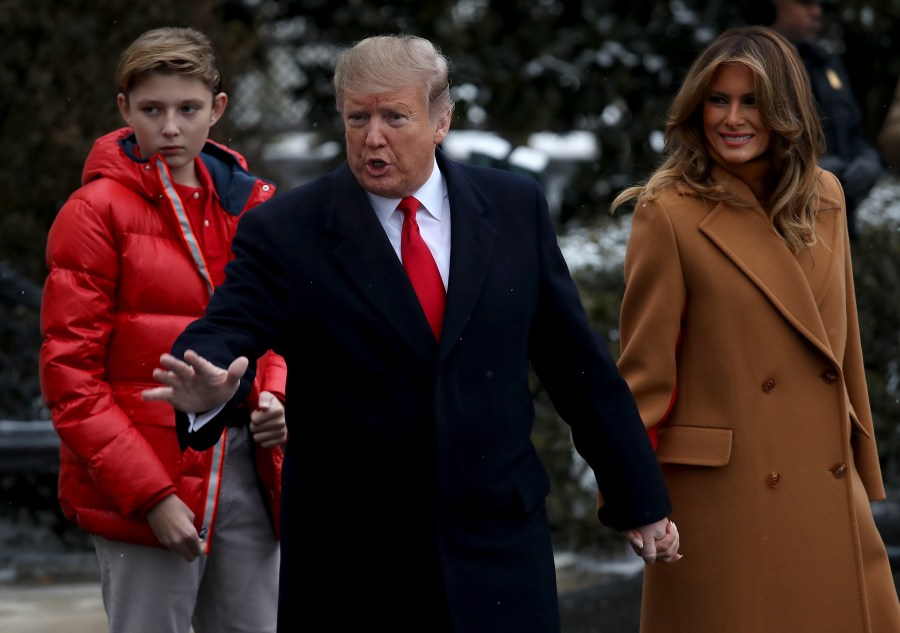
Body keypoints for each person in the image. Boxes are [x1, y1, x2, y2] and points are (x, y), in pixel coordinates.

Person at [143, 33, 681, 633]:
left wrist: (640, 501)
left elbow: (577, 368)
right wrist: (207, 383)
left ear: (441, 120)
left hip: (496, 548)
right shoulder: (288, 232)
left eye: (394, 116)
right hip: (353, 565)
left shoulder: (512, 208)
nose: (373, 137)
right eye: (358, 118)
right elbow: (224, 329)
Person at [611, 26, 900, 633]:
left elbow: (839, 355)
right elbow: (643, 375)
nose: (732, 118)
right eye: (719, 100)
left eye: (752, 102)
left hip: (824, 484)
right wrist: (634, 500)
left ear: (785, 111)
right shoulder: (668, 210)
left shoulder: (825, 195)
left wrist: (862, 469)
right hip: (724, 505)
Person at [39, 27, 288, 633]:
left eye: (188, 109)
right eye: (152, 110)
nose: (170, 128)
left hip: (249, 475)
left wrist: (278, 393)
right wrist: (151, 496)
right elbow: (70, 378)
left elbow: (282, 328)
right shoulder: (94, 212)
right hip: (145, 482)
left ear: (218, 109)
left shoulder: (254, 205)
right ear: (125, 110)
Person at [740, 0, 883, 239]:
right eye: (805, 2)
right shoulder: (742, 62)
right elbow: (736, 143)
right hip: (776, 230)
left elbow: (854, 129)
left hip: (836, 227)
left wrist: (867, 161)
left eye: (820, 4)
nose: (816, 11)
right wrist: (807, 173)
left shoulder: (825, 63)